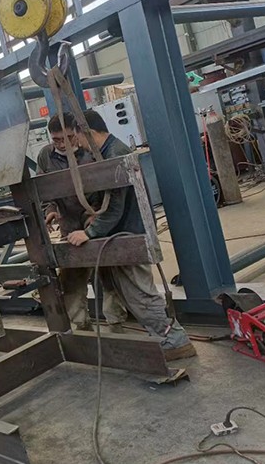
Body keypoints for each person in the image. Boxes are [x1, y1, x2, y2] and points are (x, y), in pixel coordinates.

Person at [65, 109, 197, 361]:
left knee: (140, 294)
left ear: (88, 132)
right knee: (131, 294)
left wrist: (90, 232)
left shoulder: (116, 156)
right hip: (124, 234)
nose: (77, 143)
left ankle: (174, 340)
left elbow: (115, 208)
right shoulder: (108, 154)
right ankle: (167, 338)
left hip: (130, 235)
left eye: (77, 136)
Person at [36, 113, 127, 333]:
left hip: (95, 220)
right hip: (68, 224)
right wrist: (50, 210)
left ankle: (116, 322)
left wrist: (97, 217)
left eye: (67, 138)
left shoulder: (92, 151)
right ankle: (80, 325)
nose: (61, 144)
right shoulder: (46, 156)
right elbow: (42, 189)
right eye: (56, 140)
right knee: (71, 279)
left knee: (108, 272)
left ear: (76, 133)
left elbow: (108, 190)